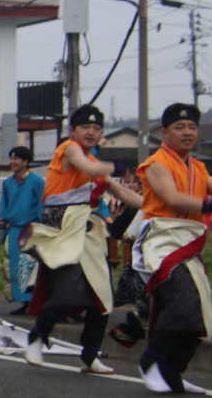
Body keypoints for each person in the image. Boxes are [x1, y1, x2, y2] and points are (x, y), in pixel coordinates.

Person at [21, 104, 142, 373]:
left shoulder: (97, 166)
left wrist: (156, 206)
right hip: (62, 231)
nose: (91, 132)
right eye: (85, 127)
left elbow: (123, 193)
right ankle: (37, 337)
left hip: (88, 233)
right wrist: (120, 165)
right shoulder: (69, 149)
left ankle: (90, 355)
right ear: (72, 130)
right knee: (66, 294)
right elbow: (87, 166)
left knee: (102, 298)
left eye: (97, 128)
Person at [131, 103, 212, 394]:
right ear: (165, 132)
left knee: (200, 314)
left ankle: (172, 373)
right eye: (180, 127)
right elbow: (173, 199)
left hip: (187, 246)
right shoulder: (156, 164)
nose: (187, 132)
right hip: (161, 244)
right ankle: (149, 362)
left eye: (192, 127)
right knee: (182, 305)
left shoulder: (198, 167)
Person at [0, 146, 44, 314]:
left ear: (25, 161)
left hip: (31, 231)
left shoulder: (37, 181)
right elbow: (4, 205)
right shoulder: (7, 182)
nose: (12, 162)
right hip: (14, 230)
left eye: (15, 158)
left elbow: (41, 206)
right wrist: (3, 223)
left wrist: (40, 227)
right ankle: (23, 301)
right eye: (11, 158)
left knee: (31, 266)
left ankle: (34, 301)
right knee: (15, 267)